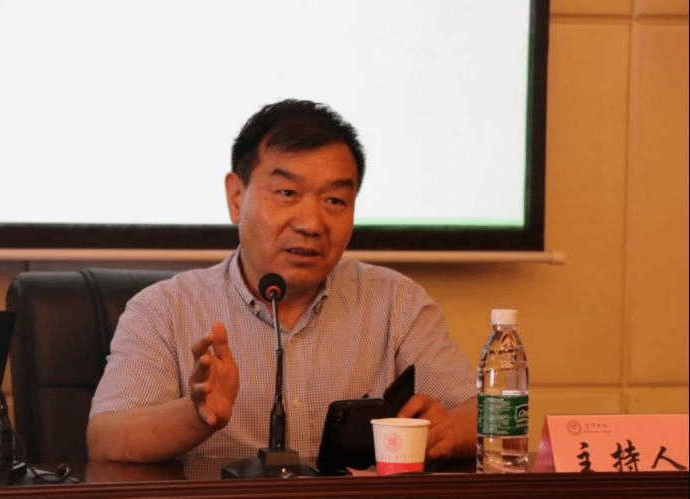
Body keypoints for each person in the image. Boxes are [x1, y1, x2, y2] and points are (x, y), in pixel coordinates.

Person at [86, 99, 477, 464]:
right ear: (236, 197)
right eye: (288, 193)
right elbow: (106, 438)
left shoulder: (396, 302)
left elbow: (481, 413)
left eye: (335, 201)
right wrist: (196, 414)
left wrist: (449, 432)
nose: (311, 224)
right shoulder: (164, 310)